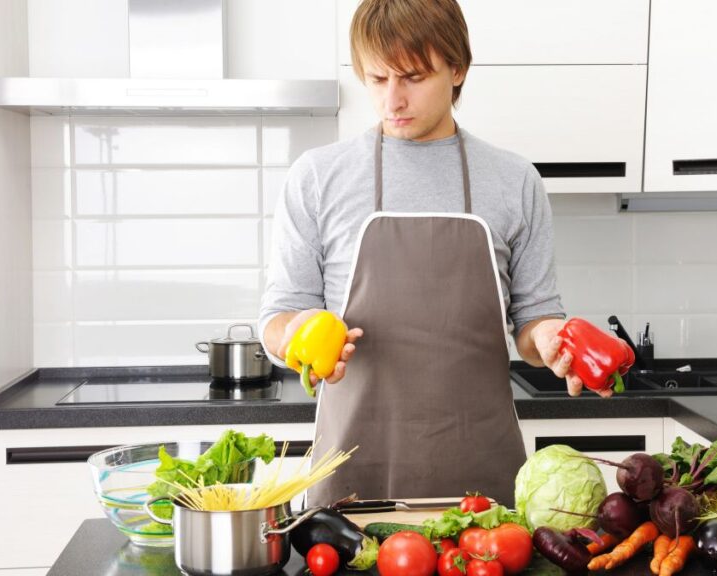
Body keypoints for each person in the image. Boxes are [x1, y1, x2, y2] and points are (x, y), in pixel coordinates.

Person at [258, 0, 611, 507]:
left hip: (484, 490)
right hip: (351, 487)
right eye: (377, 80)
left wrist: (553, 338)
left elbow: (533, 323)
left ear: (457, 68)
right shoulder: (317, 177)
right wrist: (294, 332)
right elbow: (276, 316)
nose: (392, 100)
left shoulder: (515, 181)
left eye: (413, 77)